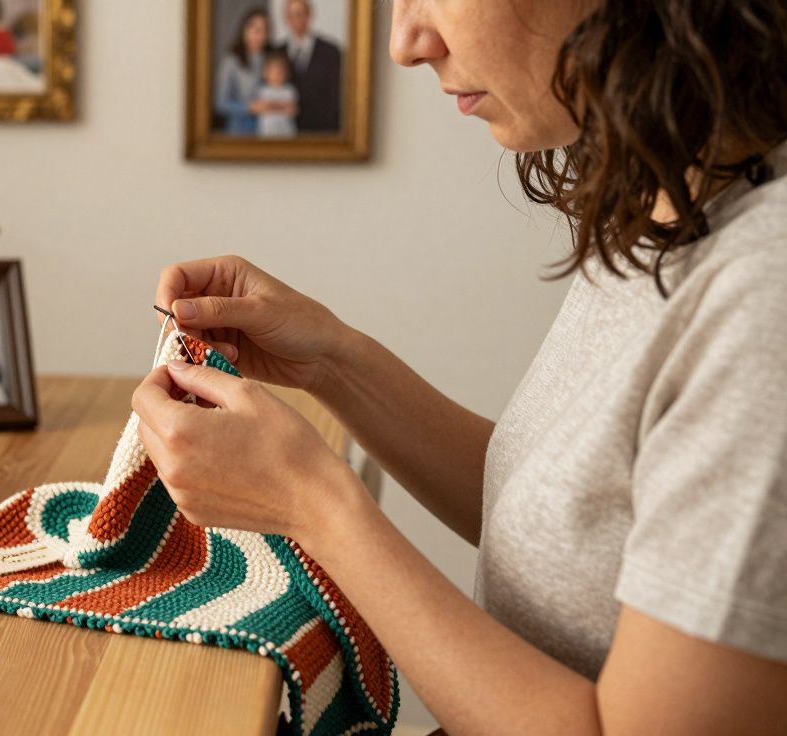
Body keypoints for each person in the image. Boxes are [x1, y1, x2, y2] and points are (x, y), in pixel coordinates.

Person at [136, 1, 787, 733]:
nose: (405, 44)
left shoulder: (765, 293)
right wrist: (332, 361)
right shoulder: (669, 195)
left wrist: (314, 505)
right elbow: (569, 522)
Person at [275, 0, 341, 133]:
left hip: (322, 132)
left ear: (310, 16)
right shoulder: (277, 53)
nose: (297, 19)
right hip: (284, 132)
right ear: (286, 18)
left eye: (301, 14)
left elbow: (336, 96)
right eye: (292, 15)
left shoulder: (331, 52)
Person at [213, 8, 270, 136]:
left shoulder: (272, 59)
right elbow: (220, 103)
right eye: (254, 30)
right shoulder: (230, 61)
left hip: (269, 130)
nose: (259, 35)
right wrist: (249, 107)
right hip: (239, 130)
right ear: (244, 30)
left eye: (264, 31)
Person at [255, 51, 298, 139]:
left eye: (280, 73)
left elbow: (292, 109)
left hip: (286, 132)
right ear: (265, 73)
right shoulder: (262, 90)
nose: (276, 76)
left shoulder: (289, 91)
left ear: (286, 74)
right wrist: (280, 106)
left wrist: (271, 105)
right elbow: (260, 107)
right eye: (272, 73)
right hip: (266, 131)